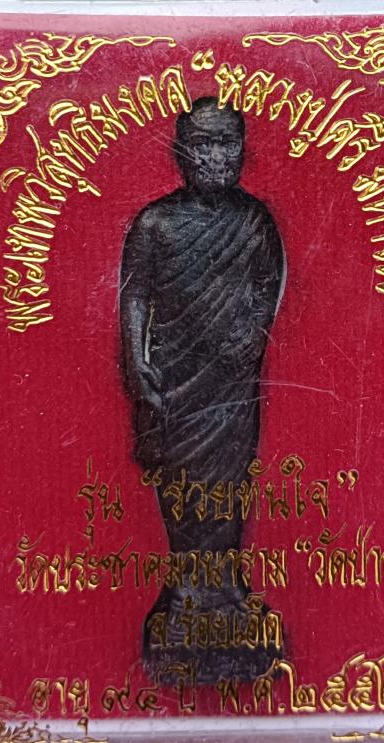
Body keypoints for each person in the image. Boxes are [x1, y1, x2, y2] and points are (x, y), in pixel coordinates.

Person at [119, 97, 286, 683]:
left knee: (230, 484)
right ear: (180, 153)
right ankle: (189, 591)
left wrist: (250, 334)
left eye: (228, 145)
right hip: (176, 379)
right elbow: (134, 297)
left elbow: (267, 286)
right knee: (181, 486)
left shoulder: (254, 221)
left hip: (232, 382)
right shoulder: (155, 224)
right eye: (205, 145)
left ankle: (226, 591)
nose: (218, 157)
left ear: (241, 151)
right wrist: (137, 365)